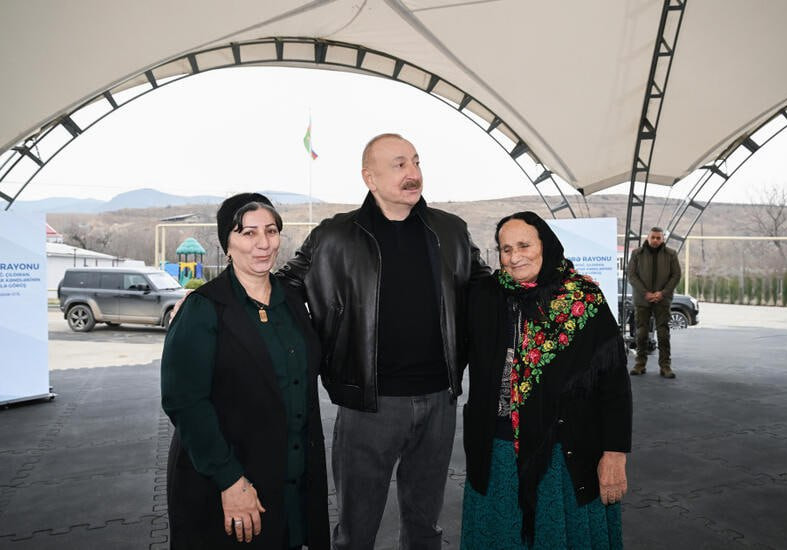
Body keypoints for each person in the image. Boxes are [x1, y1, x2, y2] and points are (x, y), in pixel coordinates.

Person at [277, 133, 490, 549]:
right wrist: (215, 299)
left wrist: (551, 285)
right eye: (399, 164)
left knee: (425, 527)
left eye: (416, 161)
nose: (413, 172)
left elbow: (487, 289)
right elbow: (281, 287)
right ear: (369, 178)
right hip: (368, 405)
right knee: (356, 531)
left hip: (439, 400)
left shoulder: (451, 231)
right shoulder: (334, 236)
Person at [161, 193, 330, 549]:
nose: (263, 243)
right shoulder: (203, 308)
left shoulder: (292, 302)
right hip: (228, 483)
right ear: (227, 244)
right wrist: (230, 481)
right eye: (248, 233)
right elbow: (185, 403)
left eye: (271, 231)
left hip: (290, 481)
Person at [461, 211, 632, 549]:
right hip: (497, 451)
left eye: (524, 245)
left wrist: (615, 453)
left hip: (563, 455)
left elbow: (614, 384)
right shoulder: (485, 296)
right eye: (506, 249)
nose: (515, 257)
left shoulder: (583, 299)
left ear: (546, 245)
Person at [627, 226, 682, 378]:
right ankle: (640, 364)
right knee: (641, 333)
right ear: (648, 237)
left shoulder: (671, 254)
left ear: (663, 239)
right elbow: (631, 275)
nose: (656, 240)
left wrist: (662, 293)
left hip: (662, 300)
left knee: (663, 334)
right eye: (653, 237)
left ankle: (665, 366)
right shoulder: (636, 254)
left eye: (658, 238)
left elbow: (676, 275)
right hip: (642, 299)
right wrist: (646, 293)